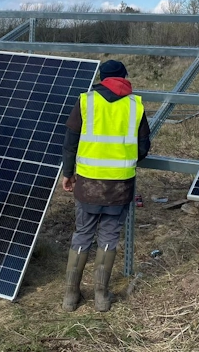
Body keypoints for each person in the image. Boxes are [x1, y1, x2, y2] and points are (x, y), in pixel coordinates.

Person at [60, 60, 151, 312]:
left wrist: (68, 173)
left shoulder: (86, 101)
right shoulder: (135, 106)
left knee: (82, 234)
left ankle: (70, 296)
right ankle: (101, 296)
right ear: (124, 77)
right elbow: (143, 147)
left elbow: (70, 142)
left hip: (88, 183)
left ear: (101, 77)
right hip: (120, 186)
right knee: (109, 237)